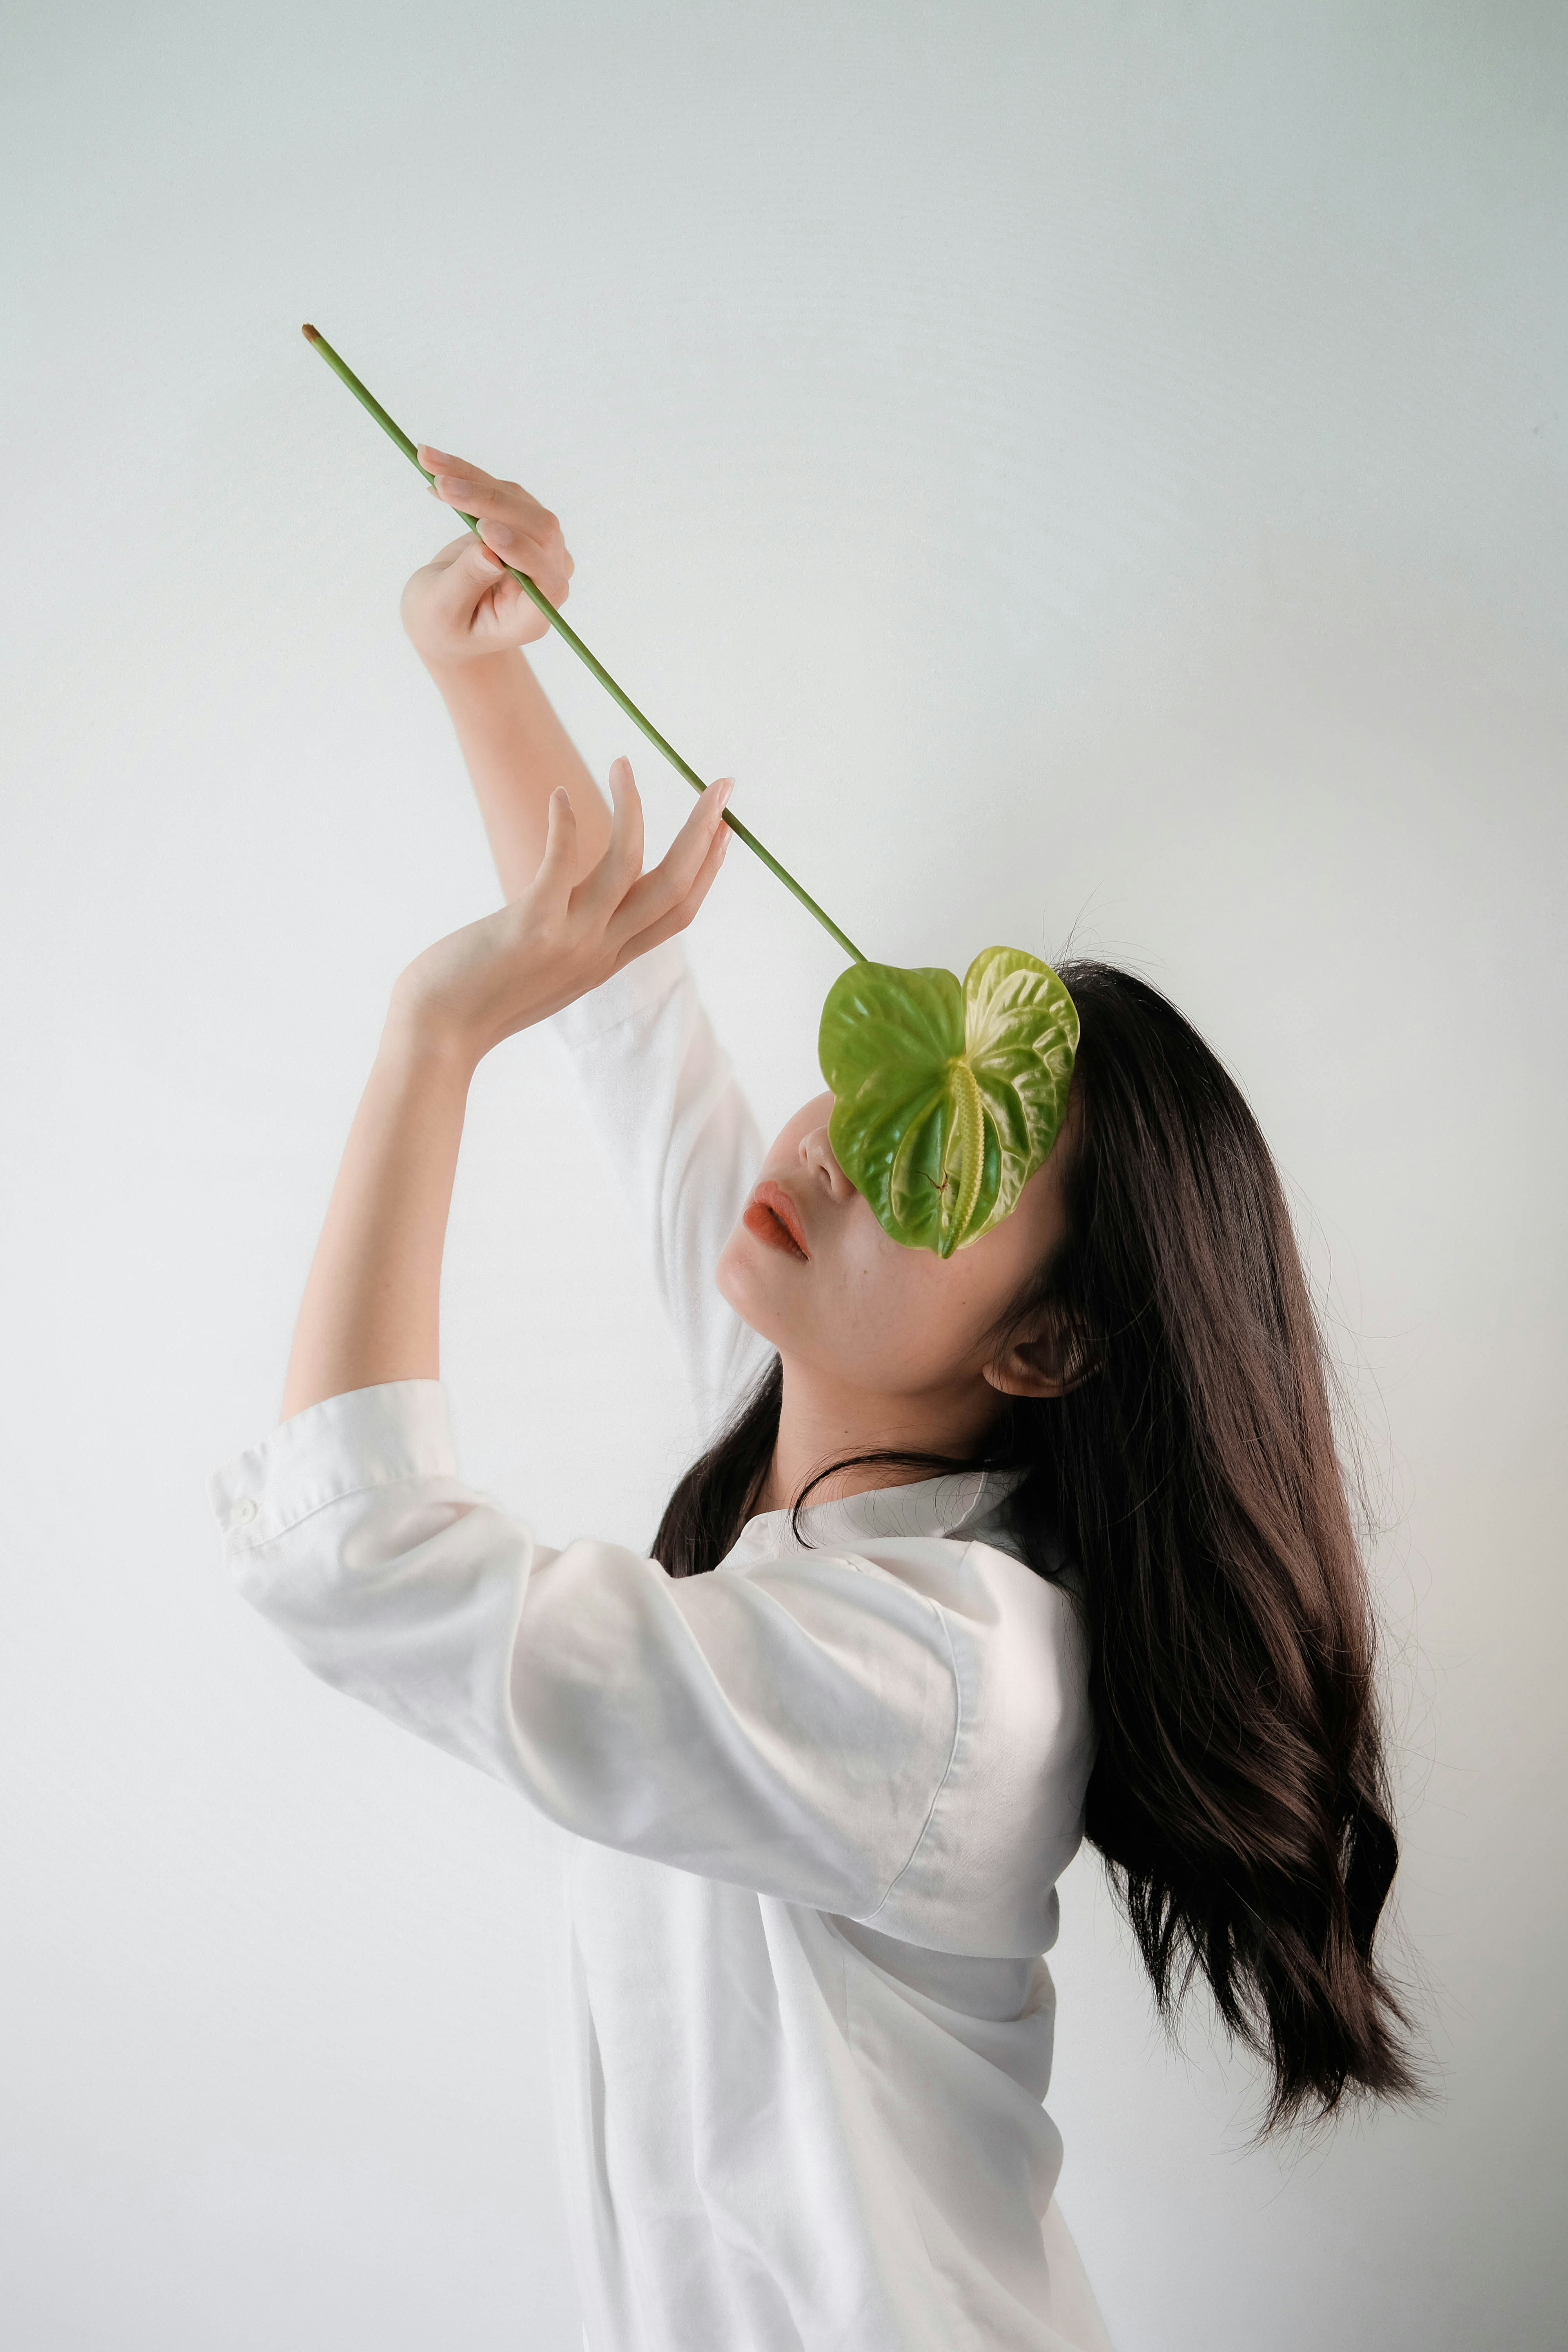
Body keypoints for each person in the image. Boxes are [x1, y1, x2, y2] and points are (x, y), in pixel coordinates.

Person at [209, 450, 1417, 2352]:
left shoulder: (946, 1680)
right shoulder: (821, 1427)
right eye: (873, 1077)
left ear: (1045, 1349)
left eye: (939, 1162)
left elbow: (364, 1566)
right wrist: (487, 663)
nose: (824, 1145)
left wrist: (431, 1036)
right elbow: (624, 1019)